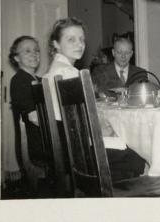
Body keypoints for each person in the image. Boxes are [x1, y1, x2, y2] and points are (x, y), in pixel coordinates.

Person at [43, 17, 145, 181]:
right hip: (80, 154)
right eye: (71, 39)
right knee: (137, 153)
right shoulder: (69, 73)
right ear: (55, 43)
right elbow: (86, 123)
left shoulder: (53, 71)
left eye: (82, 39)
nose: (79, 44)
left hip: (66, 149)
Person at [9, 36, 44, 170]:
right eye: (27, 51)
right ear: (16, 58)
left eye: (36, 50)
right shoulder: (19, 80)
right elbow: (35, 118)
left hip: (44, 141)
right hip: (35, 147)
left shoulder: (41, 80)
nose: (34, 54)